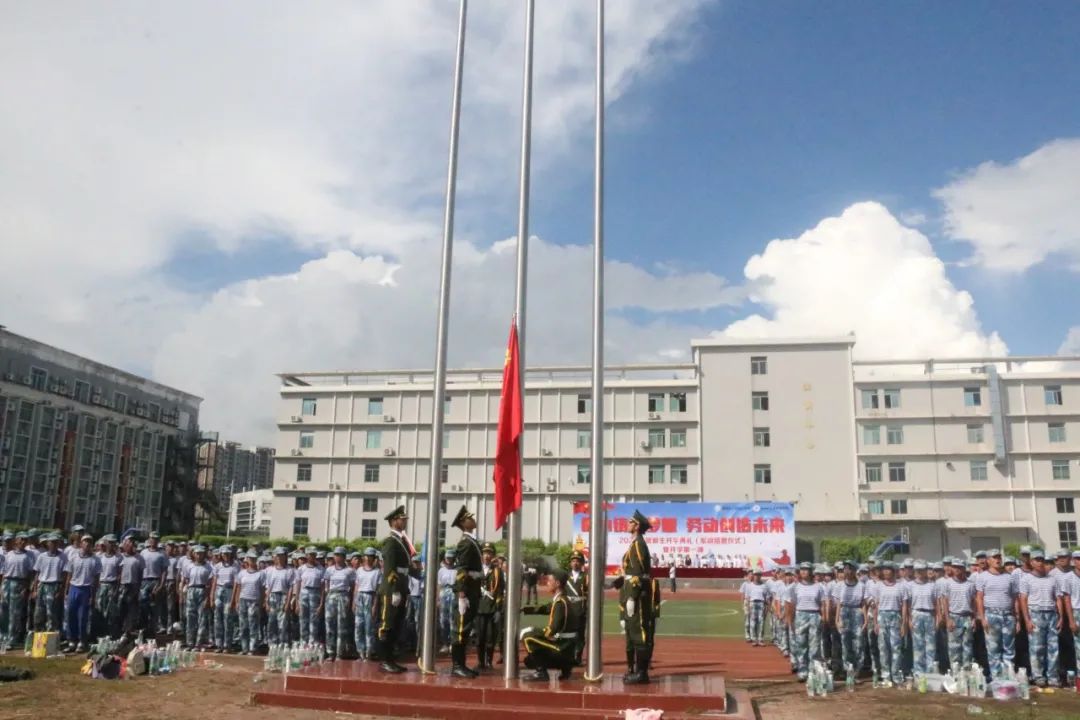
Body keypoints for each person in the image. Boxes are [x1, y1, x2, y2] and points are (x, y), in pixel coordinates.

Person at [616, 509, 654, 685]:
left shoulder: (638, 544)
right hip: (632, 591)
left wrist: (632, 597)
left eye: (630, 522)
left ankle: (642, 674)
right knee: (633, 632)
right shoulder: (634, 543)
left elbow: (639, 574)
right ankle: (638, 671)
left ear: (637, 525)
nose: (627, 524)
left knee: (639, 633)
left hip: (636, 595)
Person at [521, 569, 579, 681]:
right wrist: (525, 609)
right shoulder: (562, 599)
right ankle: (565, 668)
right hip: (568, 647)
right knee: (531, 654)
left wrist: (533, 630)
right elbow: (545, 608)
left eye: (549, 580)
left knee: (528, 637)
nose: (547, 583)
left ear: (557, 583)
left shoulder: (560, 603)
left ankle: (541, 672)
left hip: (563, 648)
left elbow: (551, 630)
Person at [376, 505, 414, 674]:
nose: (404, 521)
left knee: (397, 625)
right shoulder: (391, 542)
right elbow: (390, 570)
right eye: (402, 519)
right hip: (392, 590)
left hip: (401, 588)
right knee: (387, 624)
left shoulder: (401, 541)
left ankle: (391, 659)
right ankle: (384, 660)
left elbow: (405, 567)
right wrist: (395, 591)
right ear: (394, 521)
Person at [1020, 549, 1061, 687]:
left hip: (1051, 614)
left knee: (1053, 647)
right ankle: (1038, 676)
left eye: (1041, 560)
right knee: (1037, 648)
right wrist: (1027, 620)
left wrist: (1060, 617)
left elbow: (1058, 599)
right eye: (1037, 560)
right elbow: (1023, 600)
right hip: (1036, 614)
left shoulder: (1052, 579)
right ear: (1031, 562)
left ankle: (1053, 676)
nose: (1040, 562)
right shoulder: (1026, 579)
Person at [975, 548, 1019, 680]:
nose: (998, 559)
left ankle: (1008, 677)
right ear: (988, 560)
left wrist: (1016, 619)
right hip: (991, 615)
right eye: (994, 557)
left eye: (999, 557)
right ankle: (997, 678)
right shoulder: (982, 577)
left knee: (1009, 649)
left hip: (1008, 616)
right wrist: (982, 618)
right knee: (993, 649)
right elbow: (979, 599)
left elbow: (1015, 598)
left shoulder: (1009, 577)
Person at [449, 505, 482, 678]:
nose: (473, 519)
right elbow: (462, 569)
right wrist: (461, 594)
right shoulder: (465, 543)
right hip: (466, 591)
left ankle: (461, 665)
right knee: (461, 629)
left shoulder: (471, 541)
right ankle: (457, 666)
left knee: (466, 628)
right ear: (464, 522)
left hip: (473, 589)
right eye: (470, 517)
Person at [871, 561, 908, 686]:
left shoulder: (901, 586)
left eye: (889, 569)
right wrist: (875, 622)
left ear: (894, 571)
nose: (886, 572)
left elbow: (904, 606)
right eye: (884, 570)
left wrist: (904, 623)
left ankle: (896, 674)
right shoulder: (878, 586)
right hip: (882, 616)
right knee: (883, 648)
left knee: (896, 647)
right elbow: (876, 606)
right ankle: (886, 676)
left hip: (895, 616)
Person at [64, 533, 99, 652]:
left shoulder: (95, 560)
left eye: (89, 542)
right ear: (81, 543)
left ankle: (81, 641)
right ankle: (71, 640)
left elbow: (96, 579)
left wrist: (93, 596)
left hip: (86, 589)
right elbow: (69, 574)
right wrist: (66, 591)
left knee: (82, 617)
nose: (87, 543)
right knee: (70, 615)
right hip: (74, 587)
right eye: (85, 541)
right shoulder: (74, 557)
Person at [790, 562, 825, 682]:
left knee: (815, 646)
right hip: (801, 615)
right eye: (802, 570)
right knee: (801, 645)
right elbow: (792, 605)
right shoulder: (795, 587)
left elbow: (823, 604)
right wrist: (791, 621)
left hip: (814, 614)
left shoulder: (819, 587)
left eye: (806, 569)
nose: (804, 572)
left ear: (811, 572)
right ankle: (802, 671)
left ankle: (813, 671)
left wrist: (824, 617)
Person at [833, 560, 867, 675]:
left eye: (850, 569)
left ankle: (858, 668)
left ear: (855, 571)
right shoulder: (839, 585)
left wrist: (865, 620)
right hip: (844, 612)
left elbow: (863, 603)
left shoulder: (861, 586)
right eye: (845, 569)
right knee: (845, 642)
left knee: (858, 642)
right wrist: (837, 620)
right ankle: (848, 669)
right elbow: (838, 604)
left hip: (857, 612)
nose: (847, 571)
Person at [0, 532, 34, 644]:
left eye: (25, 540)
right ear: (16, 540)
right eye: (21, 539)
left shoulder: (29, 555)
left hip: (20, 583)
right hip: (7, 582)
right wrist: (2, 587)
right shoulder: (9, 554)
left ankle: (12, 637)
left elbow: (30, 574)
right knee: (4, 610)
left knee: (15, 613)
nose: (23, 542)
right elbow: (4, 572)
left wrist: (27, 588)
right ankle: (3, 635)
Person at [945, 558, 977, 672]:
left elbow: (974, 602)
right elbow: (945, 602)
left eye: (959, 567)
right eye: (955, 567)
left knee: (967, 647)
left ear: (964, 569)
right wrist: (947, 619)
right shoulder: (948, 583)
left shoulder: (970, 584)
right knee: (954, 648)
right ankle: (956, 675)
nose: (957, 569)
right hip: (954, 616)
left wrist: (974, 619)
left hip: (967, 617)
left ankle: (966, 673)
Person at [324, 547, 355, 661]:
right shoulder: (329, 570)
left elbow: (352, 587)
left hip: (343, 596)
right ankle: (330, 652)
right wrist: (328, 594)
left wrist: (350, 600)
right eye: (336, 555)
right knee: (329, 625)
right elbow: (326, 584)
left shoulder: (349, 571)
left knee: (341, 626)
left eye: (340, 555)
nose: (337, 557)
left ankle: (339, 653)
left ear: (344, 557)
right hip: (331, 596)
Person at [31, 533, 66, 633]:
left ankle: (50, 634)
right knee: (38, 612)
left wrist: (61, 589)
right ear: (47, 543)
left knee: (51, 613)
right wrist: (34, 590)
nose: (54, 544)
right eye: (52, 542)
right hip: (42, 585)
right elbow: (37, 574)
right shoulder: (42, 556)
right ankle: (38, 634)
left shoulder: (63, 557)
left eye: (56, 542)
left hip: (54, 585)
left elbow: (64, 574)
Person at [908, 561, 938, 675]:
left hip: (930, 615)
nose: (920, 573)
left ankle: (930, 672)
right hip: (916, 614)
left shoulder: (932, 585)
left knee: (930, 645)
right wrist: (909, 620)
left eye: (922, 570)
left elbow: (936, 604)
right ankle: (919, 673)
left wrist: (937, 618)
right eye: (917, 570)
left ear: (926, 571)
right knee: (917, 645)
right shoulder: (910, 585)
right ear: (915, 572)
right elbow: (908, 605)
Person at [475, 542, 502, 670]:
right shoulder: (476, 570)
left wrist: (498, 609)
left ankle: (489, 661)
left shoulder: (497, 571)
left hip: (491, 608)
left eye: (489, 553)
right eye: (485, 553)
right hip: (479, 608)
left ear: (493, 555)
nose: (486, 556)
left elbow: (500, 591)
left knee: (491, 638)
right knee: (480, 638)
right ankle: (480, 662)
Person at [354, 547, 382, 660]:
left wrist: (375, 605)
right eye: (366, 556)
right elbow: (356, 586)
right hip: (360, 597)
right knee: (358, 626)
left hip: (370, 597)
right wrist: (354, 601)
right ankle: (360, 651)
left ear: (374, 558)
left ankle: (369, 653)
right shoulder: (359, 570)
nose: (368, 558)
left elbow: (378, 590)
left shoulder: (377, 572)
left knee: (369, 627)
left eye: (371, 557)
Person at [211, 546, 240, 652]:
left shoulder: (236, 566)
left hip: (229, 590)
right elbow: (214, 581)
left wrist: (233, 599)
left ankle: (227, 644)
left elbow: (237, 583)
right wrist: (211, 596)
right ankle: (219, 644)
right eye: (223, 554)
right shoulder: (217, 566)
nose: (225, 556)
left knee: (228, 618)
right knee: (217, 618)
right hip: (219, 591)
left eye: (227, 554)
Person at [264, 547, 294, 645]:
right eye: (278, 556)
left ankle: (282, 645)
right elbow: (268, 587)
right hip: (272, 596)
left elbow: (290, 588)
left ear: (285, 557)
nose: (280, 558)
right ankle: (272, 645)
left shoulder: (289, 570)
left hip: (283, 596)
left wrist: (288, 603)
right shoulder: (269, 570)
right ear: (275, 557)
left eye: (282, 556)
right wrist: (266, 601)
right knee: (271, 623)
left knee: (283, 624)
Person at [296, 546, 326, 646]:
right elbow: (298, 585)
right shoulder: (301, 569)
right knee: (303, 619)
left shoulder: (321, 569)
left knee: (314, 620)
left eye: (314, 554)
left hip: (315, 593)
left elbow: (322, 588)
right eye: (310, 554)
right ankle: (303, 642)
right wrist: (297, 602)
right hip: (304, 593)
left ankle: (312, 642)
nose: (312, 556)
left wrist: (321, 603)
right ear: (306, 556)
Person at [117, 535, 144, 638]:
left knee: (131, 610)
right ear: (125, 544)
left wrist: (138, 588)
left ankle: (129, 630)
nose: (131, 545)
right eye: (129, 543)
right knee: (120, 609)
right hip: (122, 586)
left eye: (133, 543)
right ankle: (119, 631)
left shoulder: (139, 558)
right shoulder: (120, 557)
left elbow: (141, 574)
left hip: (133, 585)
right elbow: (118, 573)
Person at [566, 550, 589, 665]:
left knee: (580, 635)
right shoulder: (566, 576)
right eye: (573, 561)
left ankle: (577, 656)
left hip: (580, 608)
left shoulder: (586, 577)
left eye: (578, 561)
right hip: (569, 609)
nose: (575, 563)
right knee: (568, 633)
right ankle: (568, 655)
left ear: (582, 563)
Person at [436, 550, 456, 653]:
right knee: (443, 620)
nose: (449, 560)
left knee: (452, 619)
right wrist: (438, 599)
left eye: (451, 558)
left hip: (453, 593)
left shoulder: (456, 570)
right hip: (443, 593)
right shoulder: (441, 570)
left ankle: (452, 643)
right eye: (447, 558)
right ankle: (445, 643)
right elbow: (439, 585)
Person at [745, 569, 770, 646]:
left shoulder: (764, 586)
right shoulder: (749, 586)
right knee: (753, 623)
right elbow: (748, 598)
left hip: (761, 603)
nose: (757, 576)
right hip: (752, 603)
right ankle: (753, 639)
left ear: (761, 576)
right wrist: (748, 608)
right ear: (753, 576)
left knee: (761, 622)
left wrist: (767, 609)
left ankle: (760, 639)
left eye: (758, 575)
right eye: (755, 575)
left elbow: (767, 598)